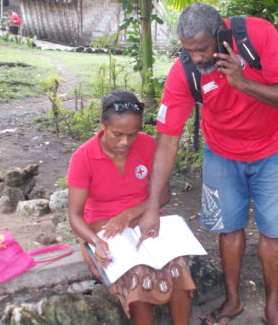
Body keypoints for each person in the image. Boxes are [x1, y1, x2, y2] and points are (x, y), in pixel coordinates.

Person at [137, 2, 278, 325]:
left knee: (273, 230)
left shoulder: (258, 35)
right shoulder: (184, 72)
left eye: (201, 48)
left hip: (273, 149)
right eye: (188, 50)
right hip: (222, 154)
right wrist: (151, 206)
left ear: (221, 34)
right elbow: (167, 142)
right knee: (228, 229)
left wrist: (242, 82)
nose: (196, 57)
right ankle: (232, 300)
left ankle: (272, 306)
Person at [67, 90, 195, 325]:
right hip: (103, 230)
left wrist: (129, 214)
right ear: (102, 124)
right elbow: (75, 216)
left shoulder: (147, 145)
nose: (125, 142)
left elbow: (163, 194)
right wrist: (96, 242)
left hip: (145, 220)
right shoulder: (83, 157)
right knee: (136, 276)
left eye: (132, 135)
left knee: (177, 269)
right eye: (118, 134)